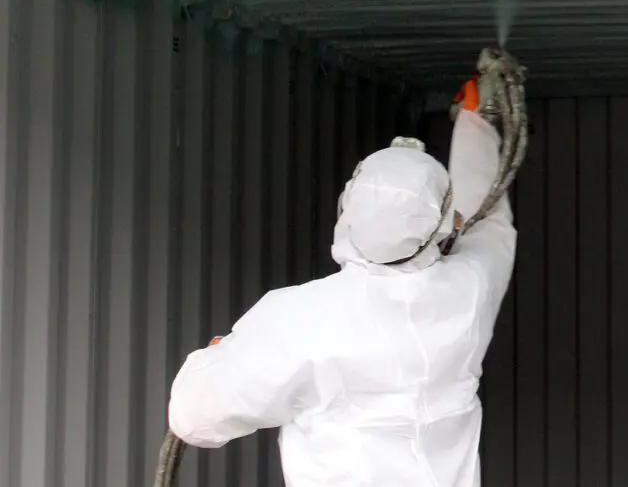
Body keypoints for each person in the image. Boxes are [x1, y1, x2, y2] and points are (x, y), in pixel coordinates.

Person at [166, 69, 518, 487]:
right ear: (443, 225)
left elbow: (193, 418)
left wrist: (215, 358)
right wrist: (475, 125)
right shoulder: (467, 293)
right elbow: (489, 225)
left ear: (345, 211)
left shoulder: (300, 319)